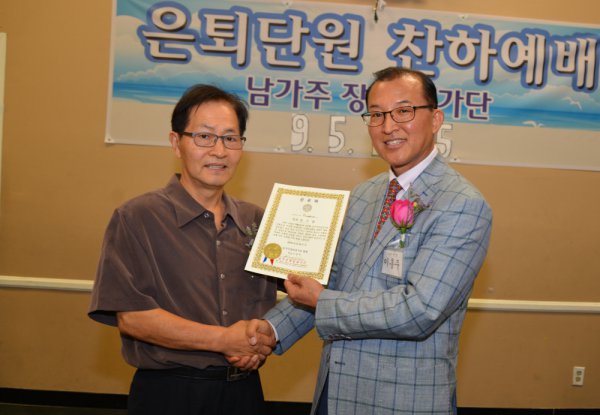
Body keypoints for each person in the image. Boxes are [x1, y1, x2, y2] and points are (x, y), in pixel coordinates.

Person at [256, 67, 493, 414]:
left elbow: (420, 309)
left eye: (403, 111)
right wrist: (269, 331)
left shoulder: (461, 204)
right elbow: (332, 281)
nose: (388, 126)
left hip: (401, 402)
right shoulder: (364, 195)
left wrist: (322, 300)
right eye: (377, 114)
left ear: (436, 119)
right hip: (334, 393)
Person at [88, 84, 277, 415]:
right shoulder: (138, 218)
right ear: (176, 143)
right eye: (204, 136)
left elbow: (300, 291)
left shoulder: (258, 221)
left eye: (230, 138)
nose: (219, 150)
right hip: (169, 393)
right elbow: (132, 318)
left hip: (245, 391)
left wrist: (262, 339)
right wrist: (224, 340)